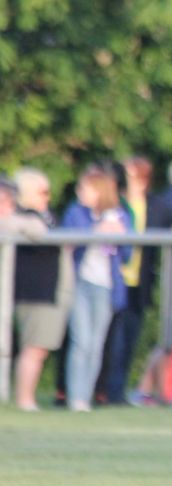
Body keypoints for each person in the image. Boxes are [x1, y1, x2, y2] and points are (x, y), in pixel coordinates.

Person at [62, 165, 134, 412]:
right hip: (80, 284)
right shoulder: (75, 212)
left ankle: (86, 396)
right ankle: (75, 397)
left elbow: (127, 255)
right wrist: (95, 231)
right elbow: (69, 241)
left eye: (86, 187)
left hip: (106, 286)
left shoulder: (120, 215)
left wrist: (119, 236)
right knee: (80, 341)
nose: (80, 191)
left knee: (96, 343)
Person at [98, 158, 160, 405]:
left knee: (129, 341)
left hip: (139, 284)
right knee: (112, 341)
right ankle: (104, 391)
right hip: (116, 281)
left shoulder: (154, 204)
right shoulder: (116, 204)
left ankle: (118, 392)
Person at [10, 169, 69, 413]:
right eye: (42, 192)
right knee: (34, 347)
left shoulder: (46, 216)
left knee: (39, 348)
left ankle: (26, 397)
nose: (48, 196)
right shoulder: (22, 216)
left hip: (49, 289)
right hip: (36, 291)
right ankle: (24, 399)